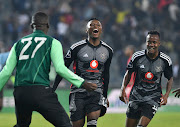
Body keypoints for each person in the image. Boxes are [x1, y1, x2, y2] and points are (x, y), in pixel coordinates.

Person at [0, 12, 97, 127]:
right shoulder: (53, 43)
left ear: (32, 26)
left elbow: (6, 72)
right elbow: (60, 69)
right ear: (48, 26)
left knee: (22, 125)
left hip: (21, 93)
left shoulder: (18, 44)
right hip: (41, 92)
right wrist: (82, 83)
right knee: (65, 124)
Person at [53, 18, 113, 127]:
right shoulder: (76, 48)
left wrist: (104, 95)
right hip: (78, 92)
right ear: (86, 30)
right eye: (92, 25)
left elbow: (106, 74)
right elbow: (62, 68)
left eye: (98, 25)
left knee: (92, 123)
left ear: (101, 30)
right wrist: (53, 89)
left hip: (96, 91)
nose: (95, 26)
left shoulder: (108, 50)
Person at [119, 30, 173, 127]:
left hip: (153, 97)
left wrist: (166, 95)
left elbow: (170, 78)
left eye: (154, 42)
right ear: (146, 42)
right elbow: (128, 73)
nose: (151, 44)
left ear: (159, 43)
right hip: (136, 96)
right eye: (149, 42)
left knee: (141, 125)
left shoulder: (165, 60)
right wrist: (123, 88)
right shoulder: (137, 57)